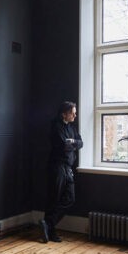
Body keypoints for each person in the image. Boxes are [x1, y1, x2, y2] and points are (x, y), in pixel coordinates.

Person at [39, 101, 83, 243]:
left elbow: (80, 143)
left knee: (70, 198)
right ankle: (51, 231)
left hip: (68, 167)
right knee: (54, 198)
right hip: (57, 167)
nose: (75, 115)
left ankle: (47, 224)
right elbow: (65, 145)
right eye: (72, 113)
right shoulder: (55, 126)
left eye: (75, 113)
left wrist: (72, 142)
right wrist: (73, 143)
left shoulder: (71, 127)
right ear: (64, 114)